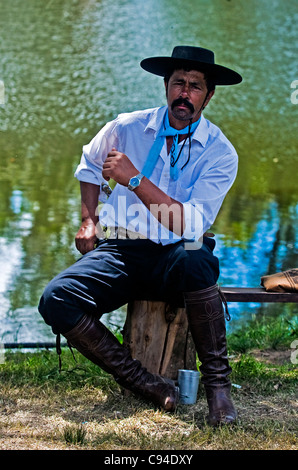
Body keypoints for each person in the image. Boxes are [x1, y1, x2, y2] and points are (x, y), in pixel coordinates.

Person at [38, 46, 242, 426]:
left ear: (209, 96)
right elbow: (89, 166)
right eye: (178, 83)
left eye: (195, 86)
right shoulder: (126, 126)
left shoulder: (220, 152)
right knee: (56, 298)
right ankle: (143, 382)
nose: (185, 93)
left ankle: (218, 388)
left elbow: (192, 225)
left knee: (199, 256)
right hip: (122, 249)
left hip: (178, 253)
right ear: (166, 87)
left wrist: (134, 179)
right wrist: (88, 220)